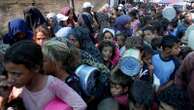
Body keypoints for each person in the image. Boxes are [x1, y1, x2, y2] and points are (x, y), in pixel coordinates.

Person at [4, 40, 87, 110]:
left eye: (16, 74)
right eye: (9, 73)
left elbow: (80, 105)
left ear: (35, 68)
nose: (10, 79)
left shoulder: (53, 84)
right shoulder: (20, 90)